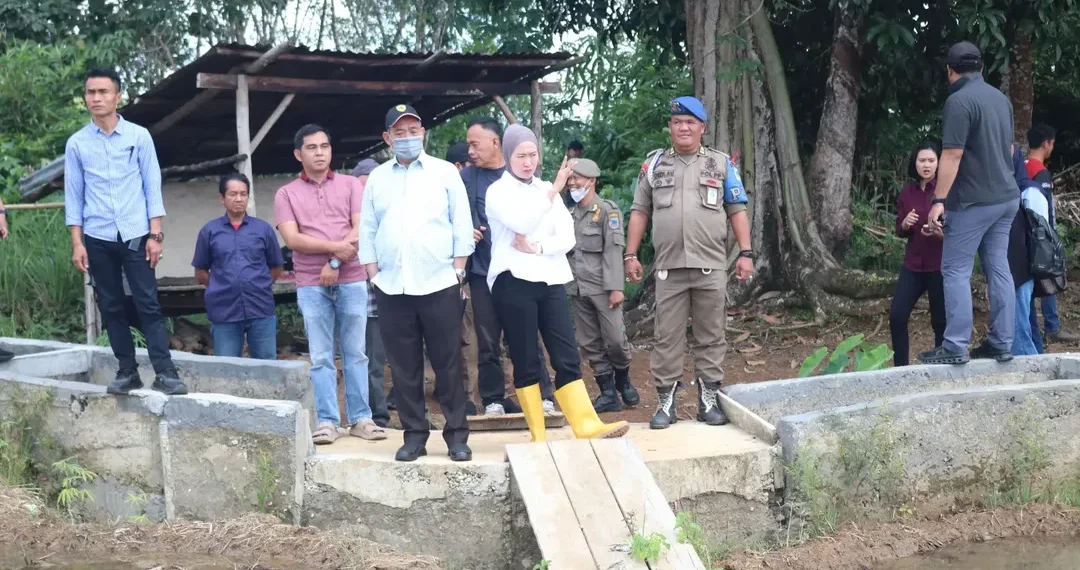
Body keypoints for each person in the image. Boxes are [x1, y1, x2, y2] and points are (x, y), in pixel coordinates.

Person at [485, 124, 629, 443]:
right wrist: (553, 192)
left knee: (566, 353)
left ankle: (586, 425)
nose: (528, 162)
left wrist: (538, 247)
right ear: (508, 156)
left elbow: (565, 237)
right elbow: (521, 221)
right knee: (525, 357)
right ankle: (538, 433)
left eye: (533, 154)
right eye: (521, 155)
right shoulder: (499, 192)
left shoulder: (543, 189)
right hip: (513, 281)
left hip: (550, 279)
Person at [625, 96, 754, 430]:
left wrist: (746, 252)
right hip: (669, 269)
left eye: (690, 122)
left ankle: (707, 400)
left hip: (710, 266)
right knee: (667, 337)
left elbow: (736, 210)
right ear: (670, 127)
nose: (683, 127)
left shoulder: (721, 164)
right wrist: (630, 254)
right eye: (677, 122)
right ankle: (666, 403)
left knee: (711, 335)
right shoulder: (654, 165)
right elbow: (640, 211)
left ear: (702, 128)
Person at [360, 104, 474, 463]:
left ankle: (457, 436)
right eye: (399, 132)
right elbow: (367, 228)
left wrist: (458, 270)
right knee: (404, 367)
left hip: (440, 283)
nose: (407, 138)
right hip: (392, 287)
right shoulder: (378, 178)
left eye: (413, 130)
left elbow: (461, 223)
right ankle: (414, 436)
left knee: (448, 363)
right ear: (387, 138)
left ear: (423, 132)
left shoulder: (443, 173)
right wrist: (374, 275)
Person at [64, 68, 187, 396]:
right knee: (112, 306)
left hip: (135, 234)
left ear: (118, 97)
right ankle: (127, 370)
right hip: (97, 236)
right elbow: (74, 197)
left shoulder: (138, 136)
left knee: (148, 304)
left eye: (103, 92)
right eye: (91, 92)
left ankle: (166, 372)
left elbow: (152, 187)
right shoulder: (77, 144)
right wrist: (77, 242)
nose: (96, 98)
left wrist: (155, 234)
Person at [275, 124, 384, 445]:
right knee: (321, 356)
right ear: (299, 154)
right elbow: (292, 238)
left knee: (356, 353)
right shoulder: (286, 193)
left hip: (351, 279)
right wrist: (335, 251)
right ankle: (327, 421)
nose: (320, 152)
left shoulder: (352, 185)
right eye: (312, 147)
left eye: (324, 146)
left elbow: (361, 227)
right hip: (311, 283)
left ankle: (362, 418)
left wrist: (335, 262)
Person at [922, 42, 1020, 365]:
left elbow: (951, 155)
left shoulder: (958, 101)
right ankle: (1002, 341)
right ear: (981, 68)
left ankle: (955, 345)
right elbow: (1009, 150)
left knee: (955, 269)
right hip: (1007, 198)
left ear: (950, 71)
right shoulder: (1001, 100)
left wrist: (938, 199)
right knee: (998, 267)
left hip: (973, 203)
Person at [462, 116, 557, 416]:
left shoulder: (522, 176)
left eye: (475, 145)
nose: (470, 152)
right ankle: (492, 399)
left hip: (522, 271)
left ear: (495, 143)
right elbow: (454, 216)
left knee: (529, 336)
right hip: (482, 272)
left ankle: (543, 396)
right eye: (468, 146)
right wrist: (466, 231)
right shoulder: (466, 180)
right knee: (488, 339)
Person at [564, 158, 640, 411]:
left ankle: (623, 380)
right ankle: (607, 393)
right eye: (570, 178)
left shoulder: (608, 210)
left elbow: (613, 249)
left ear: (592, 180)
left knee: (616, 339)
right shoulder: (568, 214)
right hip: (577, 287)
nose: (572, 183)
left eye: (577, 178)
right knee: (590, 343)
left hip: (603, 287)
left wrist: (617, 287)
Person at [192, 173, 284, 359]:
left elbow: (276, 267)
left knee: (267, 367)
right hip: (224, 310)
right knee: (227, 368)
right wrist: (221, 286)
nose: (239, 199)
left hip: (260, 308)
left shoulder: (263, 229)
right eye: (233, 194)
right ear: (222, 198)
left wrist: (258, 284)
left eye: (243, 194)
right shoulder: (209, 231)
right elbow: (201, 271)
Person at [889, 141, 946, 366]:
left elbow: (955, 235)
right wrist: (904, 224)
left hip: (939, 265)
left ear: (939, 163)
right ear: (915, 163)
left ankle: (942, 366)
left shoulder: (945, 191)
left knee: (940, 321)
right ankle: (901, 368)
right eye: (922, 160)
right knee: (897, 316)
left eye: (931, 160)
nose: (927, 165)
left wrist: (938, 232)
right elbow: (899, 230)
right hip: (913, 265)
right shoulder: (907, 193)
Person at [1026, 124, 1078, 345]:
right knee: (1049, 277)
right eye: (1052, 143)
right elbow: (1044, 209)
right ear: (1047, 143)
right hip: (1040, 235)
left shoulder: (1021, 166)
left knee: (1026, 285)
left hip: (1023, 235)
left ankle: (1033, 328)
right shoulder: (1040, 172)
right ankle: (1052, 327)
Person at [351, 158, 391, 428]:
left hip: (386, 304)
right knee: (360, 364)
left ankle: (381, 416)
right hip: (355, 305)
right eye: (362, 185)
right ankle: (369, 417)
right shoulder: (347, 219)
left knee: (380, 364)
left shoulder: (390, 215)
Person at [1007, 146, 1044, 356]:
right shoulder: (1023, 190)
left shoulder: (1028, 192)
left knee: (1021, 324)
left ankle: (1031, 364)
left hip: (1022, 262)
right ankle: (1035, 358)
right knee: (1025, 320)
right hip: (1019, 262)